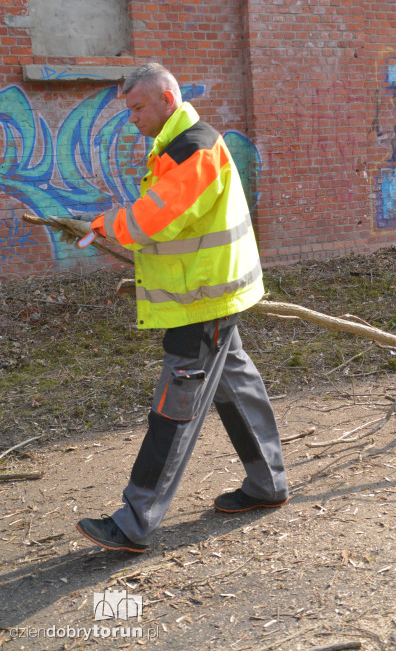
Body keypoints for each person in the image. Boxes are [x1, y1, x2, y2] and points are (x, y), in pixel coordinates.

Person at [75, 63, 288, 554]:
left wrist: (106, 224)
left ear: (167, 99)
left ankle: (134, 523)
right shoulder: (180, 145)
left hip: (202, 301)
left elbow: (153, 221)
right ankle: (268, 484)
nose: (132, 118)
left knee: (174, 409)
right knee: (237, 388)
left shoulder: (194, 148)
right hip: (209, 295)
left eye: (137, 108)